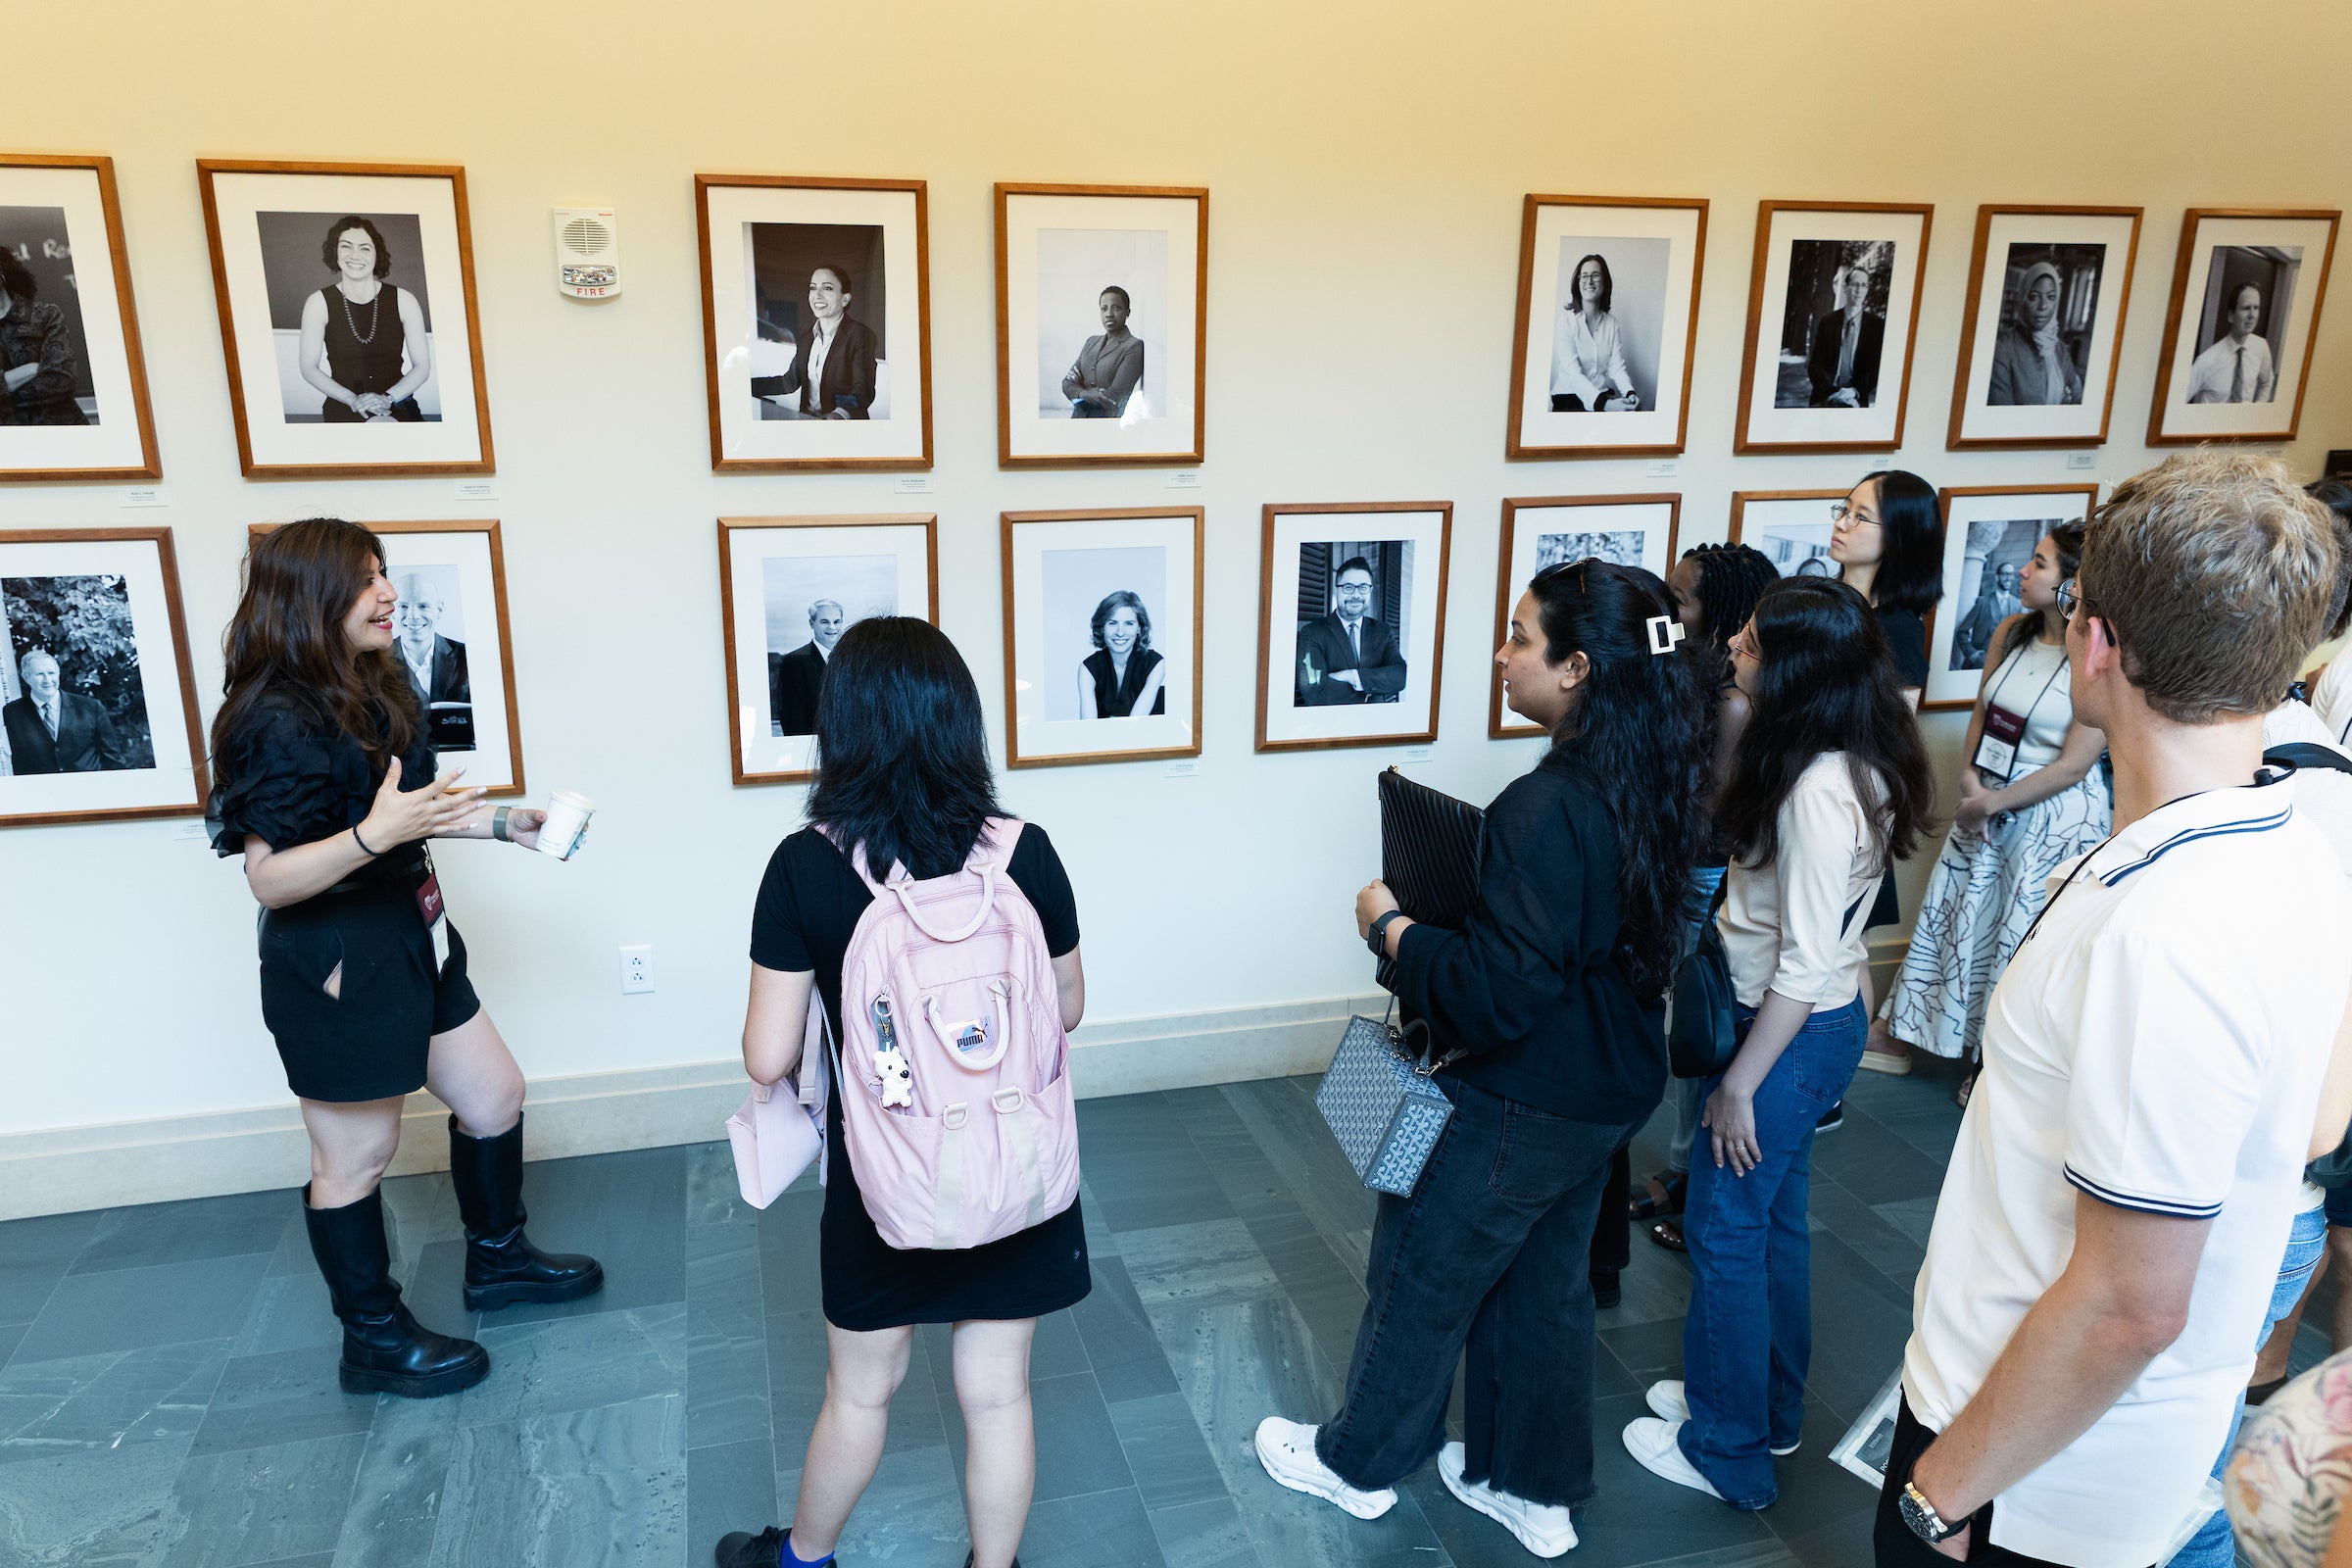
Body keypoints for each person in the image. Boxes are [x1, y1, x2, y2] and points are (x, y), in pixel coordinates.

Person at [1880, 451, 2350, 1568]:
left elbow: (2131, 1305)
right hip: (2078, 1445)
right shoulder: (2310, 812)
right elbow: (2321, 1123)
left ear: (2096, 645)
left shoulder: (2168, 927)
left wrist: (1941, 1491)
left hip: (2022, 1479)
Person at [1252, 559, 1707, 1560]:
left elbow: (1503, 991)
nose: (1501, 653)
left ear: (1579, 666)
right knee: (1543, 1285)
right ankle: (1530, 1489)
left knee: (1424, 1273)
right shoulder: (1657, 778)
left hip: (1518, 1098)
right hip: (1604, 1091)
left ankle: (1356, 1465)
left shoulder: (1543, 806)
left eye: (1519, 635)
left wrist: (1396, 930)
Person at [714, 616, 1089, 1568]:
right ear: (960, 721)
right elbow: (1068, 1008)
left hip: (888, 1179)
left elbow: (767, 1055)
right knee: (999, 1391)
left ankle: (802, 1557)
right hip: (1013, 1163)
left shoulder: (807, 864)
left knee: (862, 1389)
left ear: (840, 730)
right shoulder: (1025, 851)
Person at [208, 517, 602, 1401]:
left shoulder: (380, 680)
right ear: (310, 598)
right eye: (365, 580)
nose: (388, 594)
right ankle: (373, 1341)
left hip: (415, 930)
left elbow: (415, 815)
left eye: (384, 574)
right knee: (357, 1156)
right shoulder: (269, 719)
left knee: (493, 1094)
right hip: (336, 957)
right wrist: (368, 835)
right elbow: (269, 881)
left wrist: (510, 824)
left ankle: (497, 1264)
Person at [1621, 575, 1936, 1511]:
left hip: (1781, 1036)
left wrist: (1738, 1087)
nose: (1735, 650)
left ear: (1794, 667)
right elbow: (1842, 938)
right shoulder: (1853, 760)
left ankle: (1728, 1450)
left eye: (1753, 642)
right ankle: (1764, 1407)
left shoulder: (1813, 791)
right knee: (1772, 1226)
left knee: (1723, 1230)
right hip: (1817, 1027)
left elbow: (1801, 962)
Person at [1869, 526, 2108, 1095]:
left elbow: (2075, 763)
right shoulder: (2010, 631)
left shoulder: (2098, 652)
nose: (2025, 572)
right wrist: (1971, 781)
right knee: (1959, 919)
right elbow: (1984, 711)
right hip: (1986, 799)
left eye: (2041, 564)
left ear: (2073, 583)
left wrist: (1990, 803)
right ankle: (1926, 1037)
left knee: (2018, 936)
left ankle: (1995, 1067)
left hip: (2051, 816)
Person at [1628, 543, 1782, 1259]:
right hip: (1684, 869)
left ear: (1716, 613)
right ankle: (1686, 1167)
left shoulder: (1732, 704)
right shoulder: (1694, 674)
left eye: (1682, 596)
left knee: (1695, 1030)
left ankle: (1692, 1177)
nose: (1669, 601)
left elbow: (1709, 808)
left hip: (1700, 875)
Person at [1826, 469, 1944, 1121]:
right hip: (1794, 790)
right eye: (1842, 509)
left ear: (1899, 535)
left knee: (1842, 950)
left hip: (1849, 801)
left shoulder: (1897, 628)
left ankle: (1830, 1086)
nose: (1842, 523)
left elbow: (1889, 738)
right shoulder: (1825, 599)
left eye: (1860, 515)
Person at [298, 217, 433, 422]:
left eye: (365, 248)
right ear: (335, 251)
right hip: (344, 403)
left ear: (376, 254)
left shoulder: (405, 300)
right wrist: (353, 400)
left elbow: (422, 367)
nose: (355, 255)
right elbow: (308, 368)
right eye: (346, 246)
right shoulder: (317, 302)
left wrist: (388, 399)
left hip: (396, 402)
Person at [751, 266, 877, 420]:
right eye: (813, 287)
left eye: (827, 288)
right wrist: (745, 386)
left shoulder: (860, 335)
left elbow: (862, 390)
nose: (817, 295)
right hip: (809, 424)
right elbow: (790, 382)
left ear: (845, 299)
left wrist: (839, 413)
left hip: (846, 430)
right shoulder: (806, 336)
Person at [1296, 556, 1406, 706]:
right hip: (1333, 725)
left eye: (1363, 587)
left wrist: (1352, 676)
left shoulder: (1382, 631)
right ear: (1337, 590)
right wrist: (1372, 688)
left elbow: (1400, 676)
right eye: (1348, 587)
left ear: (1370, 590)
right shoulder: (1312, 632)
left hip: (1376, 723)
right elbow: (1313, 692)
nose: (1356, 595)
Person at [0, 246, 89, 425]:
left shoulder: (45, 315)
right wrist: (32, 368)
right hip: (10, 444)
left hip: (64, 432)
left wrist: (5, 390)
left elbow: (62, 380)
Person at [2, 648, 126, 772]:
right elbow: (19, 762)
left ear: (58, 673)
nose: (47, 680)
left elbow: (113, 760)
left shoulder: (90, 707)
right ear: (26, 677)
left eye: (51, 673)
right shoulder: (12, 713)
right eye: (40, 674)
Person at [1986, 261, 2084, 407]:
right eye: (2033, 297)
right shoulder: (2003, 350)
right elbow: (2002, 415)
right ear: (2022, 301)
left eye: (2051, 297)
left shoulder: (2059, 348)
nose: (2043, 306)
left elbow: (2077, 398)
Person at [1550, 253, 1639, 413]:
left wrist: (1629, 392)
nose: (1589, 281)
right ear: (1578, 282)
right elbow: (1574, 375)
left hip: (1601, 396)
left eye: (1595, 275)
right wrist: (1604, 405)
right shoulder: (1566, 322)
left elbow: (1617, 367)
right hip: (1569, 400)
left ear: (1605, 282)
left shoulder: (1612, 323)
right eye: (1584, 276)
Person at [392, 571, 470, 750]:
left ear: (439, 610)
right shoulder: (372, 661)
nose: (413, 616)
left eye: (423, 606)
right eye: (403, 606)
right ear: (392, 611)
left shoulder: (466, 656)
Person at [1074, 590, 1165, 718]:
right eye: (1112, 623)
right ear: (1102, 628)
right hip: (1105, 738)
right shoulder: (1088, 669)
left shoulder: (1156, 664)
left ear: (1139, 628)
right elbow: (1088, 729)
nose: (1120, 632)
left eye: (1129, 623)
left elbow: (1135, 723)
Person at [1808, 262, 1886, 409]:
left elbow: (1875, 370)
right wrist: (1833, 393)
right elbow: (1815, 365)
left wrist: (1853, 391)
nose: (1859, 290)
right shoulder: (1828, 321)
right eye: (1855, 284)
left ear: (1867, 290)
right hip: (1826, 394)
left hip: (1855, 397)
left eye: (1864, 285)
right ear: (1846, 288)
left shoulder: (1877, 326)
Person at [2186, 281, 2278, 404]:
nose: (2252, 315)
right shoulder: (2206, 362)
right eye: (2246, 308)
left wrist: (2257, 409)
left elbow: (2267, 381)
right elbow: (2176, 401)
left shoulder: (2261, 347)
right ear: (2231, 316)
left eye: (2256, 308)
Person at [1061, 285, 1143, 419]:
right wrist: (1085, 394)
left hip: (1107, 423)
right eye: (1104, 309)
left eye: (1116, 308)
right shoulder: (1091, 342)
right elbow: (1067, 383)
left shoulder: (1134, 346)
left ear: (1127, 312)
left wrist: (1079, 391)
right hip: (1078, 419)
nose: (1109, 314)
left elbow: (1115, 395)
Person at [772, 599, 847, 736]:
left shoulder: (851, 659)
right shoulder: (794, 662)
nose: (832, 627)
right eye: (825, 622)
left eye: (837, 621)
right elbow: (792, 721)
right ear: (811, 623)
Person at [1952, 563, 2025, 670]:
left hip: (2002, 666)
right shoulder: (1982, 602)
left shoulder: (2017, 605)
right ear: (1997, 577)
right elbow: (1962, 631)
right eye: (2004, 574)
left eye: (2011, 574)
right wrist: (1973, 655)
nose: (2008, 578)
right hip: (1977, 664)